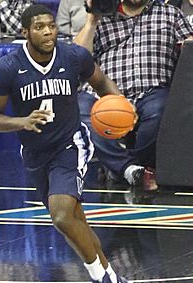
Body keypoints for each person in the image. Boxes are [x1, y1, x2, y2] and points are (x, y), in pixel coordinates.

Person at [0, 4, 136, 283]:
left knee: (62, 213)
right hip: (36, 154)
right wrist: (21, 122)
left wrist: (123, 117)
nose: (48, 32)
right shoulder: (8, 67)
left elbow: (102, 84)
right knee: (72, 221)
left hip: (72, 143)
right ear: (25, 32)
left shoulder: (73, 56)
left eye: (51, 25)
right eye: (40, 27)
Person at [74, 0, 193, 191]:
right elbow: (77, 59)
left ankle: (121, 167)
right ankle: (129, 169)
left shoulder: (171, 14)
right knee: (80, 109)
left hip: (152, 90)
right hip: (104, 93)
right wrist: (91, 20)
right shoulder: (103, 15)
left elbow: (190, 52)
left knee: (160, 110)